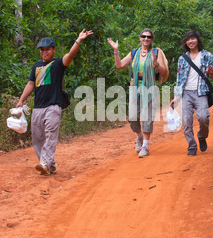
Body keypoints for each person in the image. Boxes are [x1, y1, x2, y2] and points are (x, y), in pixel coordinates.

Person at [16, 29, 94, 175]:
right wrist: (21, 100)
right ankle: (49, 165)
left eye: (47, 49)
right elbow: (30, 84)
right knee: (37, 138)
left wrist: (79, 40)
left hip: (53, 106)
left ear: (53, 50)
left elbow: (70, 55)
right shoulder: (36, 66)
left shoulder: (58, 64)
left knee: (50, 135)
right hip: (38, 107)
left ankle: (44, 162)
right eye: (42, 49)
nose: (44, 52)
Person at [107, 29, 168, 158]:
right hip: (135, 87)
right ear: (140, 38)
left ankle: (145, 145)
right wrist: (116, 50)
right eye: (144, 36)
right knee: (133, 117)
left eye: (149, 37)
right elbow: (120, 65)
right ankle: (139, 137)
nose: (146, 39)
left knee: (147, 117)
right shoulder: (134, 53)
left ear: (152, 39)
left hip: (150, 88)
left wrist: (156, 63)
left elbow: (163, 72)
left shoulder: (156, 53)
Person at [170, 30, 213, 156]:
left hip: (201, 92)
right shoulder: (182, 59)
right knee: (186, 121)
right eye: (188, 39)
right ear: (185, 42)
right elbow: (179, 80)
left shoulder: (207, 56)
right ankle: (191, 145)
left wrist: (211, 73)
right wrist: (176, 98)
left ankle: (202, 136)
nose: (190, 41)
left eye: (193, 38)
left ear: (198, 40)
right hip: (186, 93)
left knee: (203, 117)